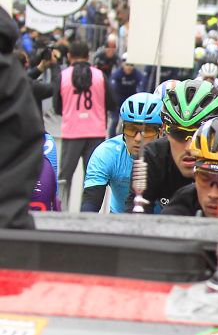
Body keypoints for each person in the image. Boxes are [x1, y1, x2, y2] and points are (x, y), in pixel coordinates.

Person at [142, 79, 218, 211]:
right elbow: (136, 213)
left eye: (199, 135)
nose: (189, 147)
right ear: (165, 130)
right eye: (179, 134)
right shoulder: (153, 155)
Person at [81, 93, 162, 213]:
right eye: (131, 129)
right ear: (122, 129)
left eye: (148, 130)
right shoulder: (107, 153)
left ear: (161, 132)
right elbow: (90, 204)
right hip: (120, 219)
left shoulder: (170, 155)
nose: (138, 138)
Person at [55, 40, 114, 203]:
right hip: (95, 132)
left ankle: (61, 209)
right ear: (88, 56)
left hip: (72, 131)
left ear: (69, 56)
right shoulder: (100, 76)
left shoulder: (63, 76)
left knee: (64, 177)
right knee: (92, 178)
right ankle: (87, 212)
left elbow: (56, 106)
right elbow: (111, 103)